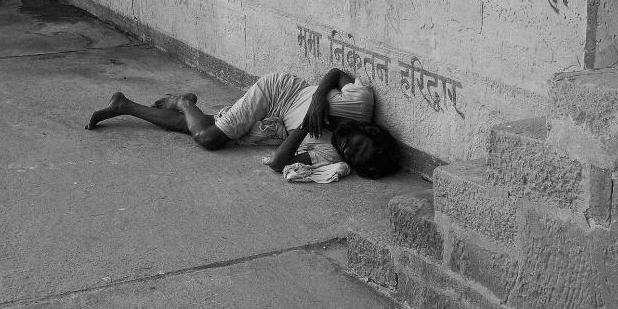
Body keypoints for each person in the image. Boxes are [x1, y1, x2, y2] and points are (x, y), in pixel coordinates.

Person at [85, 68, 400, 179]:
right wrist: (319, 97)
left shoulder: (330, 153)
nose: (347, 147)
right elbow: (337, 73)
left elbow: (278, 163)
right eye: (357, 144)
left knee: (201, 128)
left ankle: (124, 105)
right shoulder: (361, 103)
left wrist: (306, 126)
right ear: (369, 130)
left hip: (279, 126)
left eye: (351, 155)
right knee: (209, 137)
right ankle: (184, 102)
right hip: (277, 92)